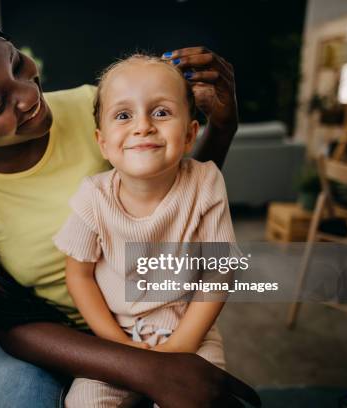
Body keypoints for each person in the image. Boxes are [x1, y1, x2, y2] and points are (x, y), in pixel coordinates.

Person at [0, 1, 260, 407]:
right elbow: (7, 322)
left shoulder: (108, 112)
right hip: (45, 339)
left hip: (153, 317)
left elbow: (181, 199)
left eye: (16, 64)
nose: (27, 94)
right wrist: (144, 367)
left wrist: (223, 127)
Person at [53, 54, 234, 407]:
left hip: (190, 335)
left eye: (162, 112)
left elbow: (220, 271)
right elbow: (79, 275)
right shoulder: (93, 196)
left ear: (189, 134)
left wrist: (181, 346)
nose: (143, 126)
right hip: (117, 338)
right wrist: (116, 345)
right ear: (102, 141)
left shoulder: (206, 182)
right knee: (84, 403)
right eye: (124, 115)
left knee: (202, 401)